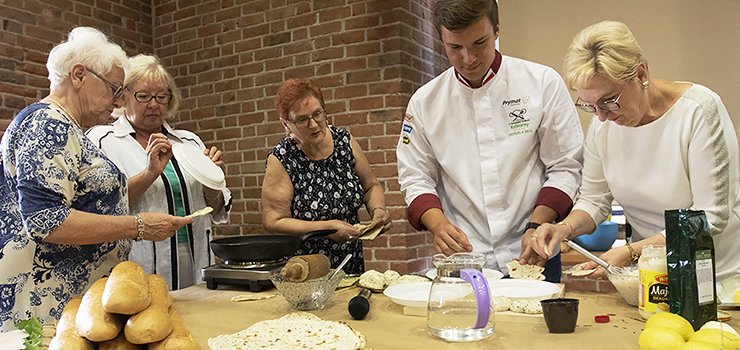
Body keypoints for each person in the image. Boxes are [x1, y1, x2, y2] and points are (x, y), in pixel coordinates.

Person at [0, 27, 192, 330]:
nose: (118, 102)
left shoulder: (70, 129)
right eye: (115, 89)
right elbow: (45, 220)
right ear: (79, 75)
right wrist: (139, 226)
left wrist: (149, 174)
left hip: (74, 305)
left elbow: (95, 203)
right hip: (46, 307)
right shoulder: (47, 124)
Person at [529, 20, 740, 283]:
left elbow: (710, 217)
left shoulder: (698, 112)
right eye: (590, 105)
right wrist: (564, 228)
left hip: (715, 279)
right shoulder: (602, 127)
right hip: (652, 278)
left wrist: (630, 252)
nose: (602, 116)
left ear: (640, 74)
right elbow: (594, 200)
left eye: (609, 101)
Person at [396, 0, 583, 282]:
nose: (468, 58)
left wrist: (537, 225)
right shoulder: (424, 102)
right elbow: (415, 176)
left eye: (479, 43)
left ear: (496, 30)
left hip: (534, 250)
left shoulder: (542, 82)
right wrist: (438, 225)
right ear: (442, 40)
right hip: (465, 257)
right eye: (455, 48)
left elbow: (566, 166)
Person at [86, 54, 231, 290]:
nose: (153, 104)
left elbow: (214, 209)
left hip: (194, 254)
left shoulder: (189, 142)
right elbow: (103, 207)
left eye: (161, 96)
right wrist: (150, 173)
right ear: (123, 96)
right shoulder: (102, 141)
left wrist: (211, 179)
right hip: (137, 260)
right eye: (143, 96)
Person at [261, 78, 390, 274]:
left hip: (350, 261)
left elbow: (370, 185)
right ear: (286, 124)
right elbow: (273, 221)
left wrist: (378, 210)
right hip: (306, 267)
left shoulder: (344, 142)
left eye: (317, 114)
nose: (313, 124)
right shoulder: (282, 158)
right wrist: (327, 228)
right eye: (302, 119)